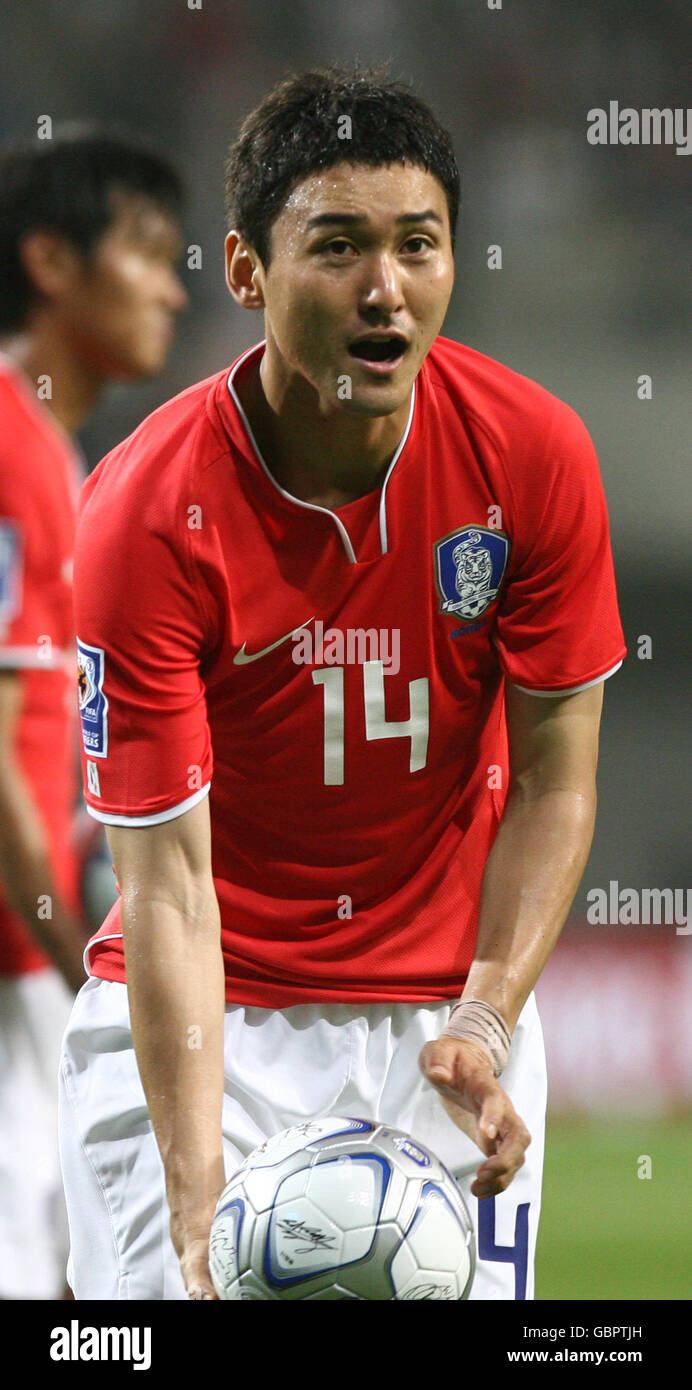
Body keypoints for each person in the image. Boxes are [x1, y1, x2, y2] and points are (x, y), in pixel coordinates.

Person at [60, 65, 626, 1302]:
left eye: (417, 244)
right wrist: (196, 1174)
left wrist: (487, 1016)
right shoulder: (146, 514)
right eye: (337, 246)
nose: (384, 288)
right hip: (212, 1012)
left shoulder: (530, 459)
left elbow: (552, 783)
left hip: (442, 1029)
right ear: (245, 271)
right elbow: (166, 884)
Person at [0, 126, 186, 1299]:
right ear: (54, 263)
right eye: (149, 251)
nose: (174, 286)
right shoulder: (11, 449)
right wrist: (80, 968)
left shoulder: (54, 451)